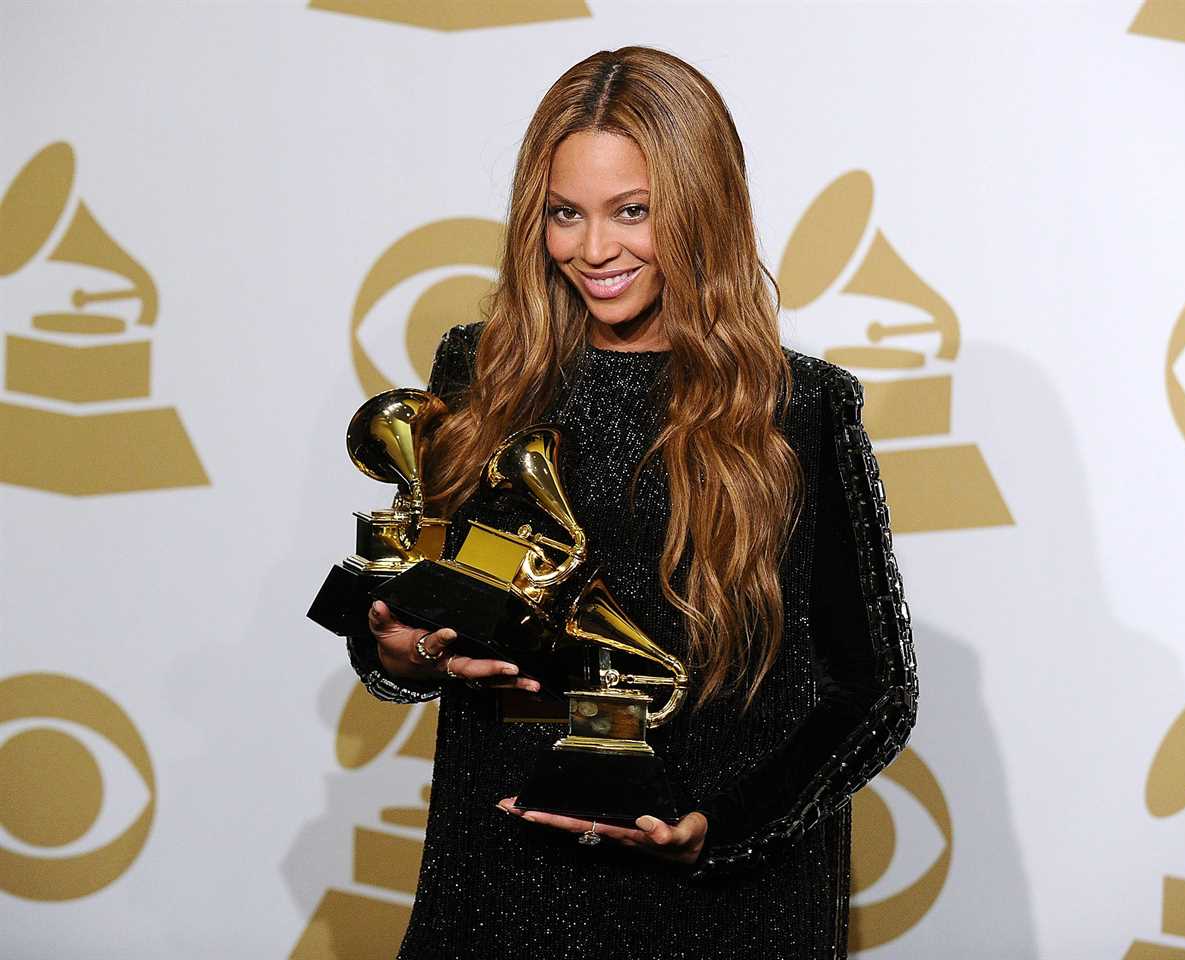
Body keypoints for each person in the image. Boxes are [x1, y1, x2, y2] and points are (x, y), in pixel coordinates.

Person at [346, 46, 918, 960]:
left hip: (726, 904)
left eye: (633, 212)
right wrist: (403, 651)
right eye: (564, 214)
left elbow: (874, 692)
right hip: (504, 878)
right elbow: (422, 613)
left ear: (701, 210)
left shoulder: (799, 406)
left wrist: (716, 827)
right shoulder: (480, 373)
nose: (593, 249)